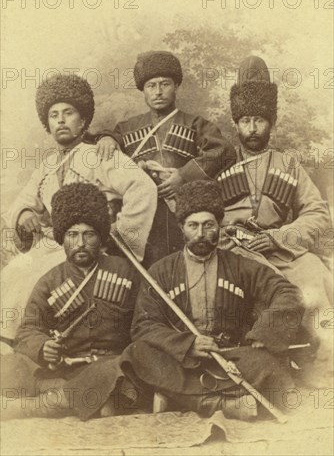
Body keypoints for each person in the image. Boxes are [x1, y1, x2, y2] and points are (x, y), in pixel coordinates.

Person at [129, 180, 304, 420]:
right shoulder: (160, 271)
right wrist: (188, 345)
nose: (200, 234)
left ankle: (178, 398)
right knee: (138, 354)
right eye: (193, 225)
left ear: (219, 225)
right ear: (181, 227)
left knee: (269, 365)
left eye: (208, 225)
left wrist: (265, 331)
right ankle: (220, 404)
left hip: (231, 357)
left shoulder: (240, 265)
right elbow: (144, 325)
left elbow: (288, 292)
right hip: (181, 359)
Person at [1, 74, 157, 341]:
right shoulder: (47, 165)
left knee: (39, 275)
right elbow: (21, 202)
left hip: (90, 245)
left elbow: (143, 188)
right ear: (47, 124)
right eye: (53, 115)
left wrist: (118, 234)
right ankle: (11, 343)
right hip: (53, 244)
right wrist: (24, 214)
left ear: (83, 121)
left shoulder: (100, 154)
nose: (60, 120)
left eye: (68, 113)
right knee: (15, 270)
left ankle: (32, 341)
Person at [218, 56, 333, 358]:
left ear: (271, 122)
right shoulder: (220, 164)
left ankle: (322, 365)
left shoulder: (288, 164)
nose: (252, 128)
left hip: (280, 248)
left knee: (317, 276)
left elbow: (317, 213)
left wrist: (279, 237)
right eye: (245, 121)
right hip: (234, 252)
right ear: (236, 124)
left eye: (259, 120)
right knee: (275, 289)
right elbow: (199, 212)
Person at [1, 183, 146, 421]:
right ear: (61, 238)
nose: (80, 243)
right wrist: (43, 346)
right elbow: (28, 330)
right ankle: (76, 399)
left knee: (115, 372)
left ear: (100, 238)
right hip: (68, 369)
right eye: (72, 235)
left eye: (89, 234)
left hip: (113, 365)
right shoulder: (50, 280)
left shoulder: (125, 272)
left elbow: (144, 324)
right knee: (10, 366)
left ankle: (41, 406)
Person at [98, 51, 236, 265]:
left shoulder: (195, 124)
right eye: (151, 86)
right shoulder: (127, 128)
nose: (158, 92)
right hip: (141, 217)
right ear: (143, 91)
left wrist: (183, 175)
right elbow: (105, 145)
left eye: (165, 84)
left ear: (177, 86)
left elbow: (224, 152)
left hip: (182, 214)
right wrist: (107, 138)